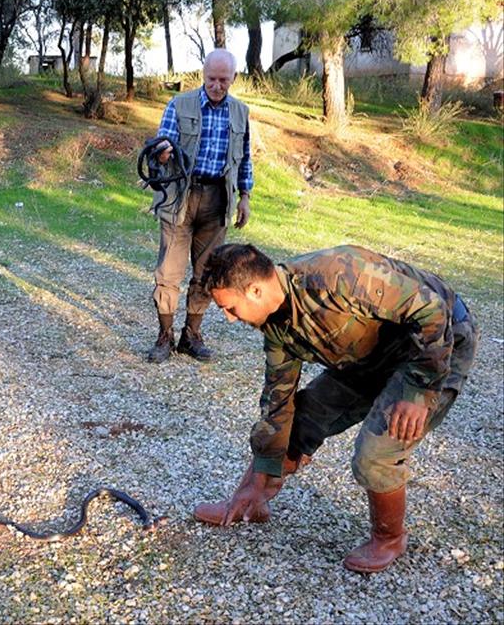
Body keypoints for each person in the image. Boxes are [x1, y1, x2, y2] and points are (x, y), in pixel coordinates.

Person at [192, 243, 479, 573]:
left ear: (255, 290)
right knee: (300, 418)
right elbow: (278, 402)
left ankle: (389, 538)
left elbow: (432, 310)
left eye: (229, 308)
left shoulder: (339, 276)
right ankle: (250, 502)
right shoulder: (274, 325)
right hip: (371, 354)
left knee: (377, 451)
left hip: (436, 344)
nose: (229, 319)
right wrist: (256, 482)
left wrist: (419, 390)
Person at [146, 49, 253, 364]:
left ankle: (191, 336)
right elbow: (162, 141)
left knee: (206, 273)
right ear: (202, 76)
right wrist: (162, 152)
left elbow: (245, 158)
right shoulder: (179, 104)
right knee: (169, 273)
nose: (217, 86)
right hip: (180, 197)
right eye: (211, 79)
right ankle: (164, 337)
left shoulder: (240, 112)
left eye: (223, 80)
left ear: (233, 78)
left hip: (217, 199)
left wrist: (245, 196)